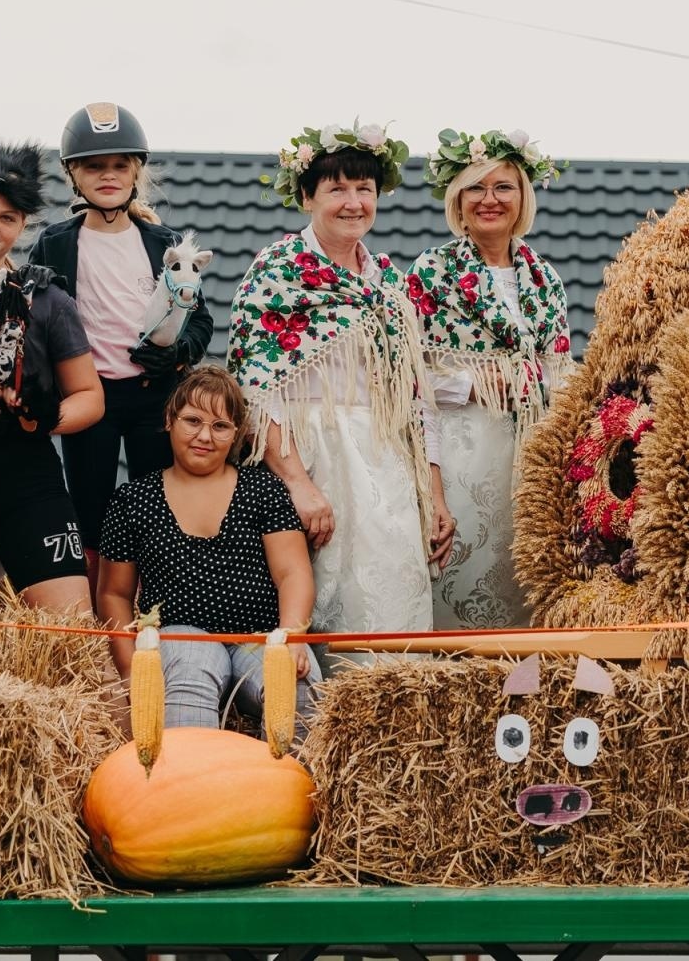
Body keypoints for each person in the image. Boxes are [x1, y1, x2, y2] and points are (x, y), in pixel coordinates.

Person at [227, 121, 454, 649]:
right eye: (336, 189)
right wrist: (298, 484)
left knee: (395, 614)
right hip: (309, 459)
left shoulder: (390, 285)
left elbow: (416, 398)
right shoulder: (275, 273)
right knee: (320, 612)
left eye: (365, 189)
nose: (353, 202)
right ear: (307, 196)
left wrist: (434, 495)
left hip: (388, 468)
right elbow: (256, 393)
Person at [27, 103, 214, 599]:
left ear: (136, 171)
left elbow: (201, 320)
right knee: (90, 511)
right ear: (73, 174)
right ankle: (97, 619)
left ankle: (160, 609)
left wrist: (177, 356)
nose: (107, 175)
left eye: (118, 165)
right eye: (94, 166)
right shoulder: (54, 243)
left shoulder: (163, 242)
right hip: (93, 399)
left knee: (159, 505)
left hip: (155, 396)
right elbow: (36, 322)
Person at [96, 366, 319, 737]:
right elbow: (113, 593)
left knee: (296, 690)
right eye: (192, 420)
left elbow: (292, 573)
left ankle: (288, 792)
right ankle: (193, 791)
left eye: (220, 426)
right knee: (187, 679)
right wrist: (131, 669)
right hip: (184, 638)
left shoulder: (262, 490)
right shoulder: (134, 500)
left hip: (261, 635)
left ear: (236, 435)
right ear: (170, 419)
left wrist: (291, 638)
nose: (204, 436)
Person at [412, 128, 571, 628]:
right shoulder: (431, 273)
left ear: (522, 197)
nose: (489, 200)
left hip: (532, 461)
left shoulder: (546, 279)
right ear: (457, 200)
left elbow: (564, 378)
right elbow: (404, 381)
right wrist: (471, 384)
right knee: (461, 588)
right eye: (476, 188)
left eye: (503, 187)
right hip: (461, 458)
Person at [0, 141, 103, 616]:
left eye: (7, 217)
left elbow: (90, 396)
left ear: (22, 224)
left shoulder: (48, 297)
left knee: (75, 642)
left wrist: (44, 415)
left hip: (25, 476)